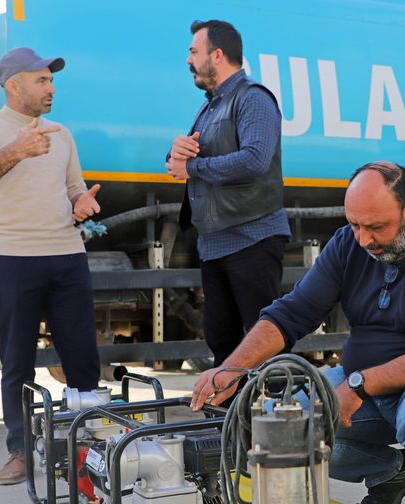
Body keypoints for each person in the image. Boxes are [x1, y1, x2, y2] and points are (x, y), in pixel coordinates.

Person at [192, 162, 405, 504]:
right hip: (371, 382)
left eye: (376, 227)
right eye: (354, 224)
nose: (364, 239)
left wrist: (360, 383)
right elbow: (291, 314)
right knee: (276, 430)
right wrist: (231, 369)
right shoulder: (347, 244)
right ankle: (394, 470)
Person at [0, 47, 102, 486]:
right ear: (12, 86)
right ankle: (20, 450)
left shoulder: (61, 133)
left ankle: (88, 447)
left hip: (67, 256)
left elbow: (74, 188)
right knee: (17, 361)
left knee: (82, 358)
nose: (51, 87)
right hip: (10, 259)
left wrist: (82, 202)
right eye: (42, 80)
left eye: (51, 80)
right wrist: (15, 151)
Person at [166, 20, 290, 367]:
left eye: (194, 51)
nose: (188, 60)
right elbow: (190, 160)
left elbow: (255, 159)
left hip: (252, 237)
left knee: (265, 342)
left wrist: (193, 168)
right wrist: (177, 152)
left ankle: (282, 418)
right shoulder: (208, 108)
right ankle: (234, 419)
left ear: (217, 55)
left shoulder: (253, 99)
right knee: (222, 342)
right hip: (215, 243)